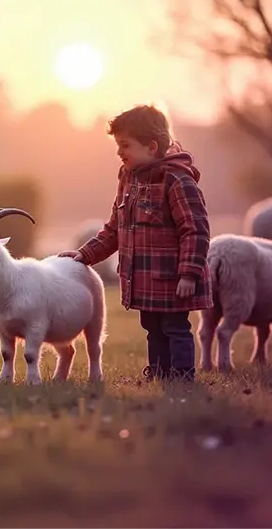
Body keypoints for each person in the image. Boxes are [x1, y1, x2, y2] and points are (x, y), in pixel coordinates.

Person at [58, 104, 212, 382]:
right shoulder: (128, 178)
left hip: (173, 278)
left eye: (125, 145)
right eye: (118, 145)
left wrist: (189, 273)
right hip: (144, 278)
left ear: (152, 146)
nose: (119, 152)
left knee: (175, 327)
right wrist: (85, 254)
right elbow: (114, 228)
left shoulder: (177, 180)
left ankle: (182, 376)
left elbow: (195, 230)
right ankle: (160, 373)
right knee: (152, 327)